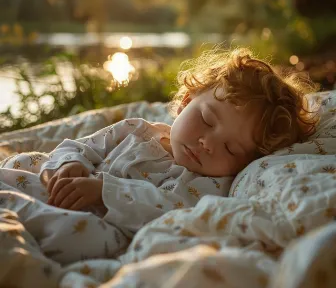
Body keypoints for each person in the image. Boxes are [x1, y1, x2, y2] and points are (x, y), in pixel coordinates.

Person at [1, 48, 319, 229]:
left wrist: (103, 192)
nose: (208, 143)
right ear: (185, 102)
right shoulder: (136, 129)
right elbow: (81, 145)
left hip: (97, 221)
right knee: (22, 163)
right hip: (56, 185)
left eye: (230, 148)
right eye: (207, 119)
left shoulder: (209, 186)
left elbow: (169, 210)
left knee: (80, 236)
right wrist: (69, 164)